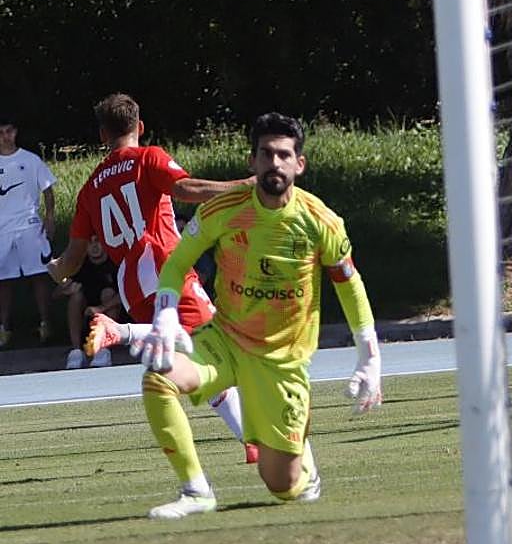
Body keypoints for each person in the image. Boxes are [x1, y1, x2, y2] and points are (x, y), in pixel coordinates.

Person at [131, 111, 383, 519]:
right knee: (159, 378)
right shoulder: (222, 210)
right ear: (252, 162)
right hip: (225, 341)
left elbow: (348, 285)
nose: (275, 163)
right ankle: (196, 491)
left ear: (299, 164)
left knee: (282, 487)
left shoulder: (321, 221)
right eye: (266, 154)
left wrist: (370, 357)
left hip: (282, 362)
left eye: (284, 155)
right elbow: (177, 263)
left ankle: (304, 471)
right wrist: (165, 316)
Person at [47, 93, 257, 461]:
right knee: (221, 346)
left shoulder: (90, 188)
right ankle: (118, 332)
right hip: (165, 268)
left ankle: (251, 442)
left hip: (131, 285)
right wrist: (245, 186)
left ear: (102, 136)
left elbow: (73, 257)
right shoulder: (148, 158)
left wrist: (56, 270)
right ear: (139, 127)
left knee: (194, 354)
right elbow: (185, 189)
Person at [0, 113, 56, 347]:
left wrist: (50, 216)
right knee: (4, 280)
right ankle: (4, 328)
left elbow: (48, 190)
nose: (6, 137)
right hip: (2, 230)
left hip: (29, 226)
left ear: (16, 132)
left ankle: (45, 323)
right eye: (1, 133)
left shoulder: (31, 160)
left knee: (38, 275)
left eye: (9, 131)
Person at [59, 236, 122, 369]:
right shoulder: (79, 264)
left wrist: (100, 308)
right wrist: (64, 289)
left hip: (113, 317)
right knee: (76, 297)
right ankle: (76, 352)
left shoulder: (116, 263)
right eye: (89, 242)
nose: (94, 246)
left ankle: (103, 350)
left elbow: (125, 295)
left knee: (108, 294)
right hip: (86, 316)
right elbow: (55, 295)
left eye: (98, 241)